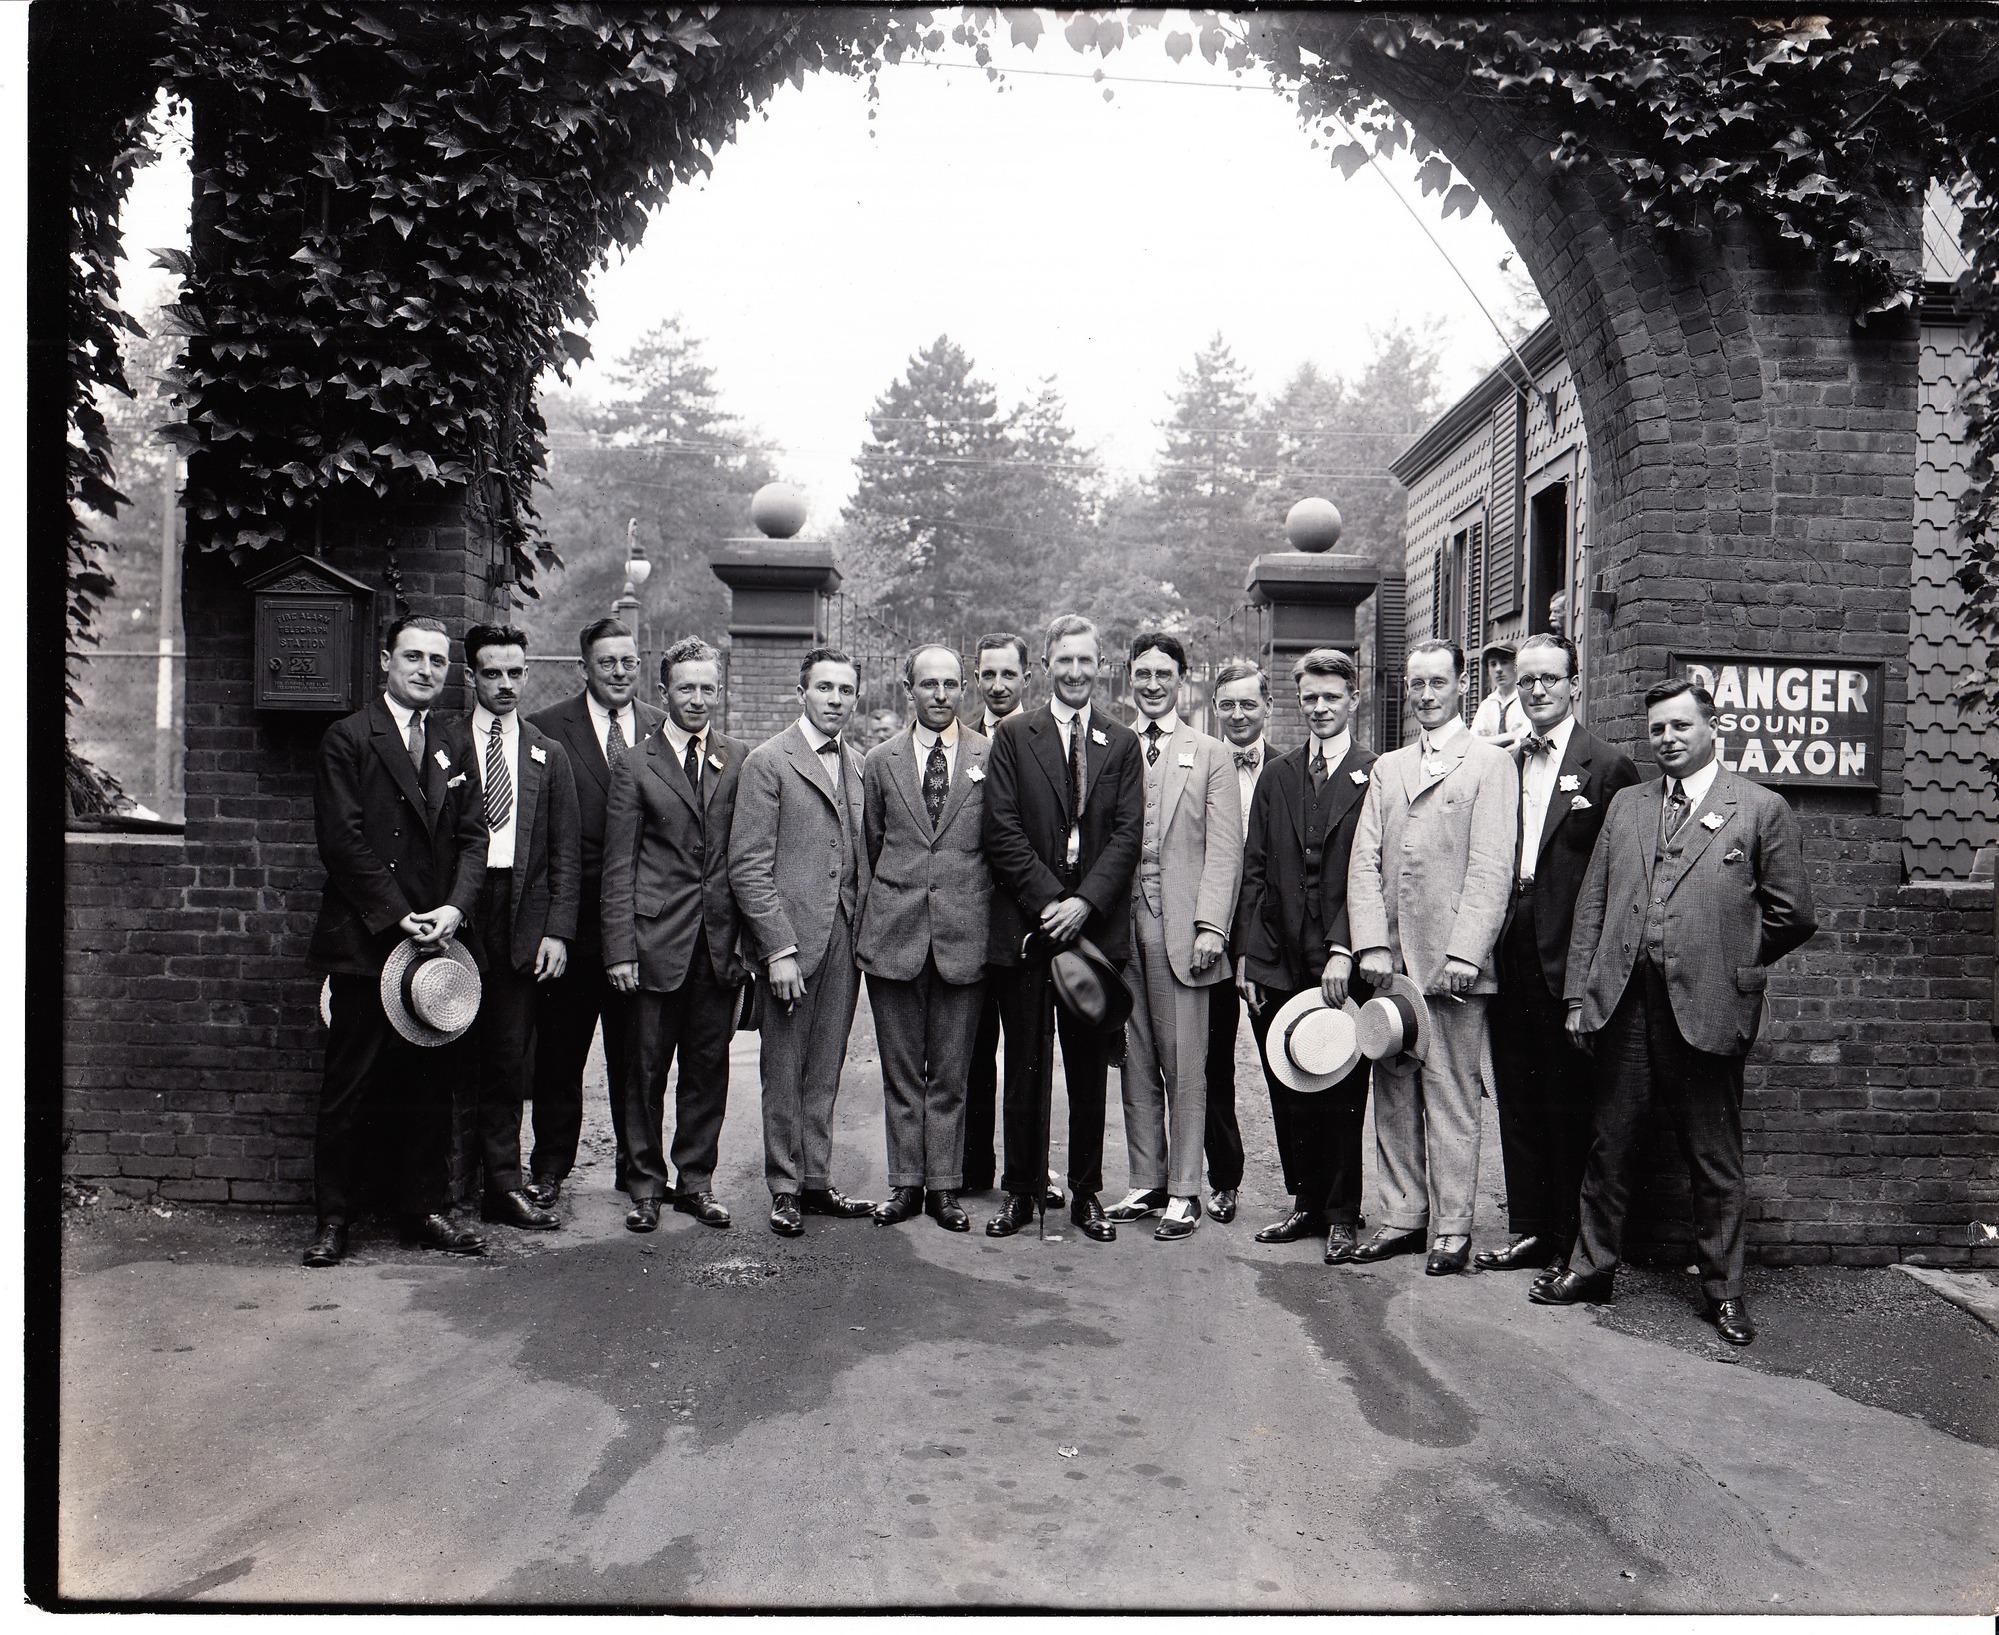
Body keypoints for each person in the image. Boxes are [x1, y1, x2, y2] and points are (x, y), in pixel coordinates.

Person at [1535, 677, 1817, 1346]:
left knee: (1713, 1157)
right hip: (1623, 1005)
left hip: (1709, 1006)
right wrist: (1578, 996)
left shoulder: (1758, 808)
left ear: (1711, 727)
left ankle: (1724, 1291)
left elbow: (1792, 914)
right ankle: (1591, 1268)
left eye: (1680, 725)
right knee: (1609, 1144)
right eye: (1657, 728)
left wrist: (1729, 955)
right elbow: (1593, 905)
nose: (1667, 738)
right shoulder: (1628, 805)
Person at [302, 615, 489, 1266]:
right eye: (413, 657)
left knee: (429, 1084)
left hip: (436, 944)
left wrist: (454, 909)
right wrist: (397, 914)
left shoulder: (452, 739)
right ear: (386, 660)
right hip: (367, 939)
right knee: (349, 1085)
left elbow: (473, 838)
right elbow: (341, 841)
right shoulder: (349, 738)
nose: (425, 670)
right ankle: (333, 1220)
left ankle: (424, 1209)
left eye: (438, 661)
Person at [1346, 638, 1518, 1276]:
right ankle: (1403, 1216)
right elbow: (1364, 861)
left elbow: (1492, 866)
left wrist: (1467, 953)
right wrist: (1371, 943)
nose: (1425, 695)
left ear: (1461, 686)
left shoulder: (1488, 764)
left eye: (1437, 683)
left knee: (1450, 1098)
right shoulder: (1389, 767)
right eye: (1416, 684)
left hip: (1452, 971)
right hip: (1391, 967)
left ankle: (1452, 1228)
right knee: (1393, 1091)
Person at [1479, 632, 1639, 1282]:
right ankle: (1529, 1228)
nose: (1537, 689)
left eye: (1549, 678)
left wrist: (1590, 977)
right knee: (1516, 1096)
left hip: (1567, 955)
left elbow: (1621, 880)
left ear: (1575, 683)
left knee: (1567, 1102)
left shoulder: (1607, 767)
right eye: (1526, 680)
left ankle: (1571, 1242)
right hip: (1508, 945)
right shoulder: (1503, 761)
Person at [981, 613, 1144, 1244]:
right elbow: (1001, 830)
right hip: (1029, 930)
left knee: (1086, 1070)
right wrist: (1053, 902)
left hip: (1093, 934)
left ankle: (1086, 1193)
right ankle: (1021, 1190)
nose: (1075, 672)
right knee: (1024, 1064)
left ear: (1101, 666)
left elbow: (1127, 837)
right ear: (1047, 666)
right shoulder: (1015, 736)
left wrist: (1084, 906)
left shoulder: (1120, 742)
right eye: (1064, 661)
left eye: (1086, 660)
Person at [1233, 648, 1378, 1262]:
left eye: (1331, 697)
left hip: (1340, 958)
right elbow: (1255, 870)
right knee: (1287, 1080)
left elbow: (1373, 873)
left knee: (1341, 1084)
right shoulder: (1278, 775)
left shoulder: (1376, 773)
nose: (1320, 708)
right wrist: (1251, 959)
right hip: (1278, 955)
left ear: (1354, 700)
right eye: (1310, 697)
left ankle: (1342, 1213)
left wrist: (1345, 948)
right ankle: (1305, 1202)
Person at [601, 637, 747, 1234]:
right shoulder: (636, 764)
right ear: (663, 692)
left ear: (720, 691)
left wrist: (745, 944)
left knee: (708, 1070)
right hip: (653, 943)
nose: (698, 699)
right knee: (645, 1071)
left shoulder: (738, 758)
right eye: (686, 688)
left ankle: (696, 1183)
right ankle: (643, 1186)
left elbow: (746, 855)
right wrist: (620, 950)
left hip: (718, 945)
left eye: (708, 688)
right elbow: (618, 865)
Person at [729, 647, 877, 1237]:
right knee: (784, 1066)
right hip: (792, 943)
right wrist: (777, 950)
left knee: (826, 1066)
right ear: (801, 693)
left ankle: (816, 1179)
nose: (835, 699)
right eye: (824, 688)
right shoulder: (769, 761)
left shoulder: (859, 765)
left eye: (845, 690)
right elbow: (748, 866)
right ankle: (784, 1187)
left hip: (844, 933)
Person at [1103, 633, 1241, 1240]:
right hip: (1118, 926)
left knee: (1185, 1063)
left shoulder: (1210, 753)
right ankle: (1147, 1180)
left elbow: (1225, 850)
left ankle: (1185, 1189)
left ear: (1182, 679)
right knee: (1133, 1058)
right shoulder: (1111, 745)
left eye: (1164, 673)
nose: (1153, 684)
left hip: (1182, 929)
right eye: (1143, 673)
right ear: (1129, 678)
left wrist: (1212, 925)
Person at [526, 619, 665, 1203]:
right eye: (606, 662)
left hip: (640, 926)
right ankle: (550, 1168)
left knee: (636, 1059)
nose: (619, 672)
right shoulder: (547, 726)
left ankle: (637, 1172)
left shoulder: (662, 726)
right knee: (561, 1054)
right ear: (583, 667)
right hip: (575, 922)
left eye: (629, 661)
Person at [448, 624, 581, 1234]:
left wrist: (557, 930)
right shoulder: (445, 743)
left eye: (515, 673)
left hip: (521, 914)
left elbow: (565, 853)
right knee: (444, 1049)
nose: (506, 684)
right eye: (492, 673)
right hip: (459, 909)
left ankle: (502, 1185)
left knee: (507, 1056)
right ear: (470, 676)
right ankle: (440, 1188)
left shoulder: (546, 752)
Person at [857, 644, 993, 1233]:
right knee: (902, 1072)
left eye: (950, 684)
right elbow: (871, 842)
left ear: (963, 688)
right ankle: (905, 1184)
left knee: (952, 1074)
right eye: (928, 684)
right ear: (908, 688)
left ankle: (944, 1187)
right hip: (895, 934)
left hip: (965, 936)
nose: (940, 694)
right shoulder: (880, 761)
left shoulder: (990, 755)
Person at [1200, 657, 1271, 1223]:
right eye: (1228, 705)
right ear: (1214, 709)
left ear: (1267, 706)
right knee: (1212, 1066)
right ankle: (1224, 1180)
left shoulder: (1291, 767)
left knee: (1291, 1062)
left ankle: (1310, 1194)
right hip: (1214, 935)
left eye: (1249, 703)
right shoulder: (1200, 764)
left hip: (1273, 940)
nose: (1239, 714)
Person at [962, 631, 1030, 1195]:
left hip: (1025, 925)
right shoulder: (959, 742)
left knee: (1029, 1059)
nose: (999, 685)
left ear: (1027, 677)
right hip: (966, 925)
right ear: (975, 679)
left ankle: (1027, 1173)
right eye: (988, 674)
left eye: (1009, 674)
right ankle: (971, 1168)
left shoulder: (1044, 740)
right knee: (972, 1053)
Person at [1471, 641, 1529, 750]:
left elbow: (1524, 742)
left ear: (1516, 665)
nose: (1498, 669)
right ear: (1488, 670)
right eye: (1493, 664)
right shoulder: (1486, 705)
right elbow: (1472, 742)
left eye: (1504, 662)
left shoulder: (1527, 699)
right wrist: (1511, 736)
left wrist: (1490, 743)